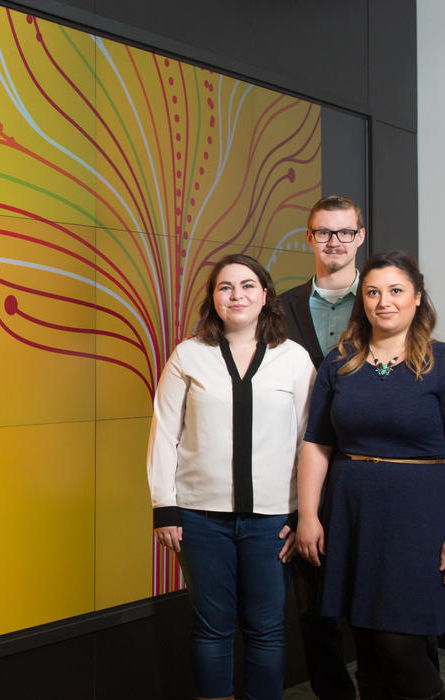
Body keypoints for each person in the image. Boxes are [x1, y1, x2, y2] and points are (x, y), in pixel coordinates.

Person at [294, 251, 445, 700]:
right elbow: (317, 445)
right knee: (366, 646)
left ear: (417, 298)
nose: (384, 301)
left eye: (396, 291)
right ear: (362, 300)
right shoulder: (339, 361)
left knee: (399, 645)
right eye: (373, 292)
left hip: (418, 519)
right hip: (351, 514)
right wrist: (308, 515)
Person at [149, 254, 315, 700]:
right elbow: (164, 434)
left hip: (272, 522)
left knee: (266, 629)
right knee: (211, 628)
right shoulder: (188, 355)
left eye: (247, 286)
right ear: (213, 298)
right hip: (200, 518)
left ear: (265, 295)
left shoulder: (294, 359)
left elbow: (309, 444)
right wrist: (163, 506)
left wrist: (304, 514)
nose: (236, 295)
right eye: (225, 287)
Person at [276, 195, 366, 700]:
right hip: (300, 472)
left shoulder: (383, 299)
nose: (335, 242)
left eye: (345, 232)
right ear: (309, 238)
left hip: (365, 468)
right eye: (324, 232)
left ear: (360, 236)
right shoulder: (280, 307)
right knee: (314, 609)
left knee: (382, 601)